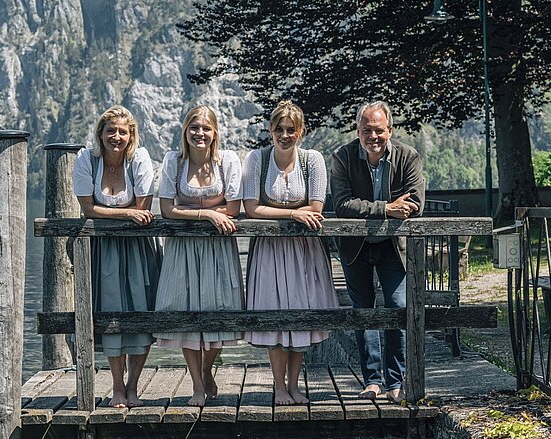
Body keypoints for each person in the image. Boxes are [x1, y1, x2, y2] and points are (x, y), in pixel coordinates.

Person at [243, 100, 339, 405]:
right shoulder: (257, 160)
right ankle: (279, 386)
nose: (285, 135)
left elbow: (316, 207)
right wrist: (292, 215)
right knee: (274, 316)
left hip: (304, 251)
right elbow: (250, 209)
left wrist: (296, 213)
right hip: (270, 250)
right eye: (279, 129)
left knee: (301, 317)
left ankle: (295, 385)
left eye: (291, 130)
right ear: (270, 131)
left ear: (301, 132)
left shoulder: (313, 161)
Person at [330, 101, 425, 403]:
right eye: (367, 130)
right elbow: (342, 205)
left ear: (390, 131)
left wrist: (382, 210)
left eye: (379, 130)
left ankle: (395, 382)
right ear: (358, 131)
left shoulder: (407, 156)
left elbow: (416, 204)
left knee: (397, 308)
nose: (373, 136)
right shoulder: (343, 157)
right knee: (364, 312)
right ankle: (372, 381)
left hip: (393, 247)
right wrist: (386, 208)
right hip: (356, 247)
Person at [72, 105, 162, 408]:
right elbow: (88, 209)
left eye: (123, 131)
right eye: (111, 131)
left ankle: (133, 386)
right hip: (104, 249)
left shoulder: (139, 159)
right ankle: (117, 387)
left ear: (131, 135)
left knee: (141, 311)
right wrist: (125, 213)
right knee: (110, 314)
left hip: (138, 247)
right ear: (101, 133)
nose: (117, 137)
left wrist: (125, 214)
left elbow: (144, 207)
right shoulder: (88, 160)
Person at [154, 105, 244, 407]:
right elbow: (166, 209)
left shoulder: (227, 161)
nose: (199, 133)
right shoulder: (174, 161)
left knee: (221, 308)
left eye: (205, 128)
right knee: (185, 311)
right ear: (185, 131)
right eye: (194, 127)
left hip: (218, 248)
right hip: (182, 249)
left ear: (214, 132)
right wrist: (207, 214)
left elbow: (233, 208)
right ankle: (195, 384)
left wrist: (195, 213)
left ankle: (206, 369)